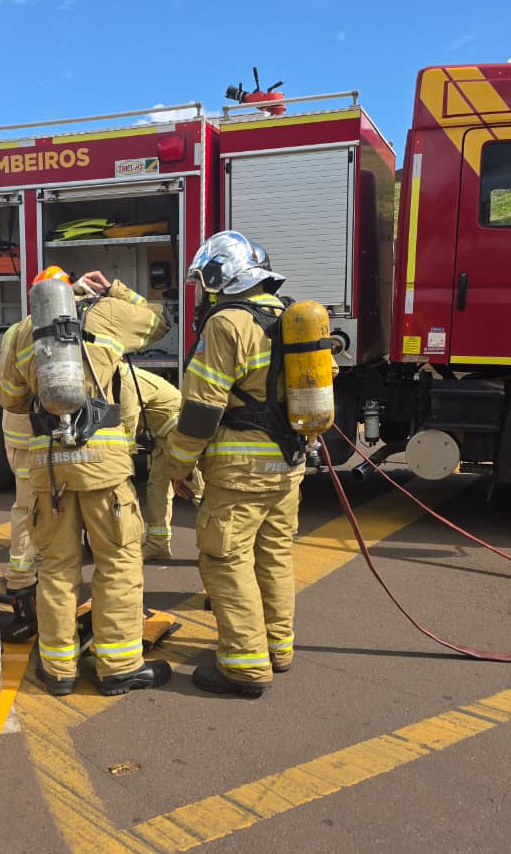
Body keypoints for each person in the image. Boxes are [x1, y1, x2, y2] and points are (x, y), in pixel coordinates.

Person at [0, 266, 171, 697]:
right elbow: (159, 322)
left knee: (55, 568)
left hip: (49, 468)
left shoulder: (22, 332)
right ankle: (119, 666)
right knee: (117, 563)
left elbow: (10, 398)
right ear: (77, 288)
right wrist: (116, 288)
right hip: (103, 468)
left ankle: (58, 670)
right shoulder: (108, 314)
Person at [165, 231, 303, 698]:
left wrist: (178, 465)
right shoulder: (287, 315)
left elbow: (202, 408)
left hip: (240, 467)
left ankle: (244, 666)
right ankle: (277, 647)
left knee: (226, 559)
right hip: (288, 465)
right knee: (275, 555)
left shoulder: (227, 323)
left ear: (219, 278)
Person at [118, 364, 204, 560]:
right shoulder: (119, 379)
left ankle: (222, 546)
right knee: (157, 489)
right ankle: (158, 545)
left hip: (177, 436)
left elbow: (127, 426)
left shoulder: (125, 382)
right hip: (163, 436)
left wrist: (121, 465)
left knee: (196, 490)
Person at [0, 325, 40, 596]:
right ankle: (19, 577)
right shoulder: (36, 333)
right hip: (28, 434)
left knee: (33, 506)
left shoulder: (15, 330)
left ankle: (26, 570)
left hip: (19, 431)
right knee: (27, 508)